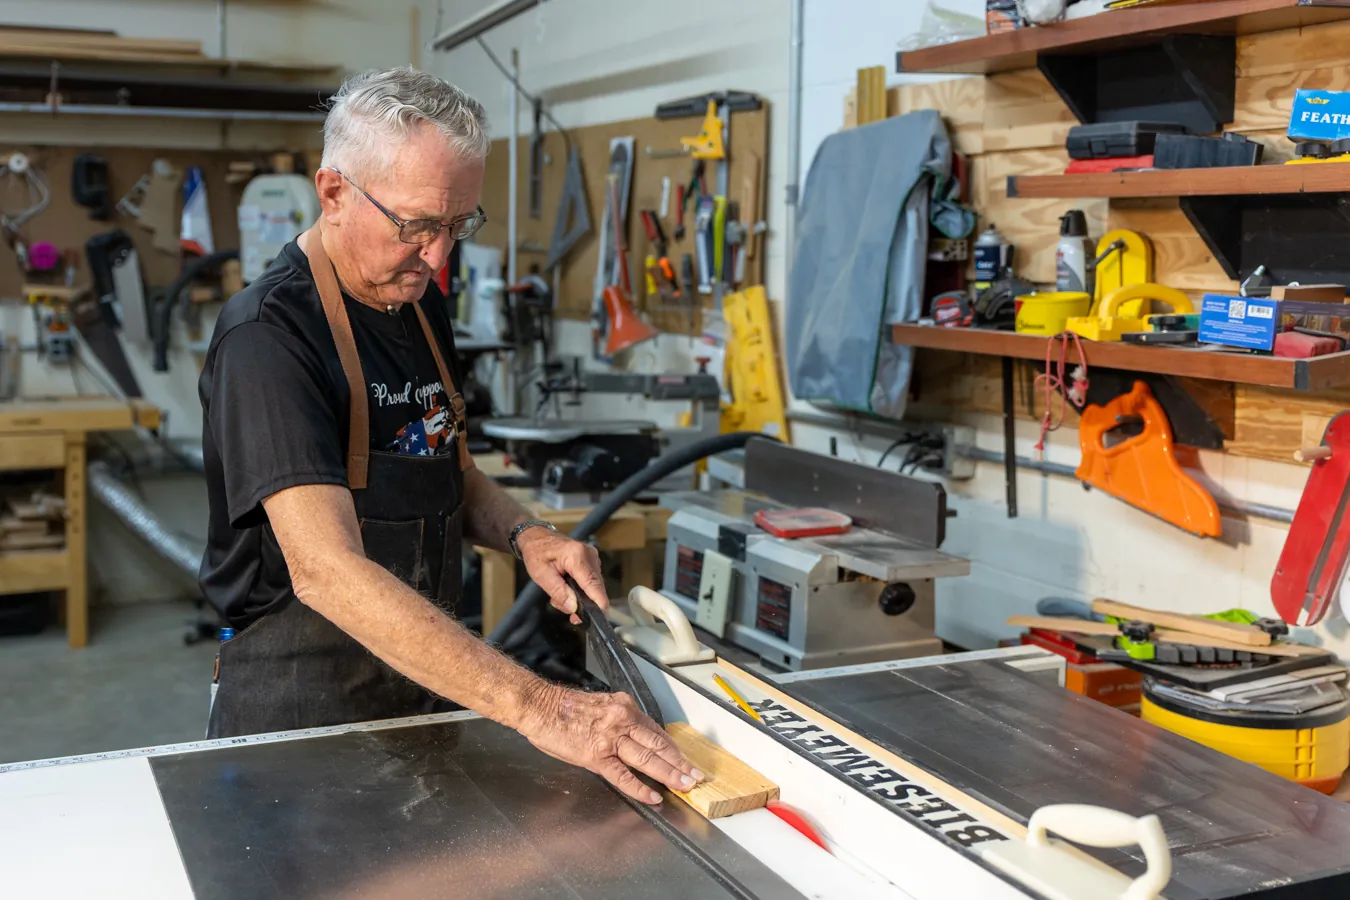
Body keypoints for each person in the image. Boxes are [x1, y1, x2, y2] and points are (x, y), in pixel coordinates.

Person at [197, 66, 698, 805]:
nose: (438, 257)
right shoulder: (270, 339)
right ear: (333, 192)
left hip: (427, 687)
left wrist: (526, 534)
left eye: (457, 225)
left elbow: (438, 463)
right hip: (300, 711)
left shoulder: (414, 302)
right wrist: (542, 707)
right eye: (415, 225)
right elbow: (326, 570)